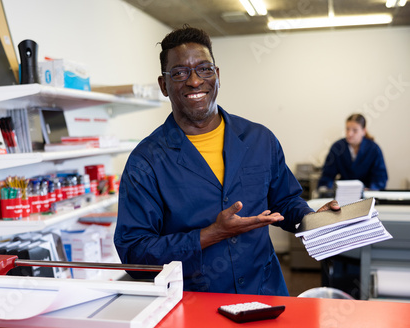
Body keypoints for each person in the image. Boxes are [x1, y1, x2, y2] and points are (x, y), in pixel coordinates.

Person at [114, 25, 339, 296]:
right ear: (164, 85)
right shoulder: (146, 162)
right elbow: (134, 252)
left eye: (204, 69)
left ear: (217, 76)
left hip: (264, 294)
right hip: (193, 306)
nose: (194, 81)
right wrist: (211, 234)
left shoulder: (259, 139)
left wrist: (311, 219)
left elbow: (285, 201)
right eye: (180, 72)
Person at [318, 113, 388, 191]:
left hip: (367, 193)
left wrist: (371, 189)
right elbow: (327, 175)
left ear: (363, 131)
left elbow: (380, 178)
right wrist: (324, 190)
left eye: (355, 130)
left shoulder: (374, 149)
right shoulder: (337, 147)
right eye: (347, 129)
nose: (349, 134)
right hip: (343, 192)